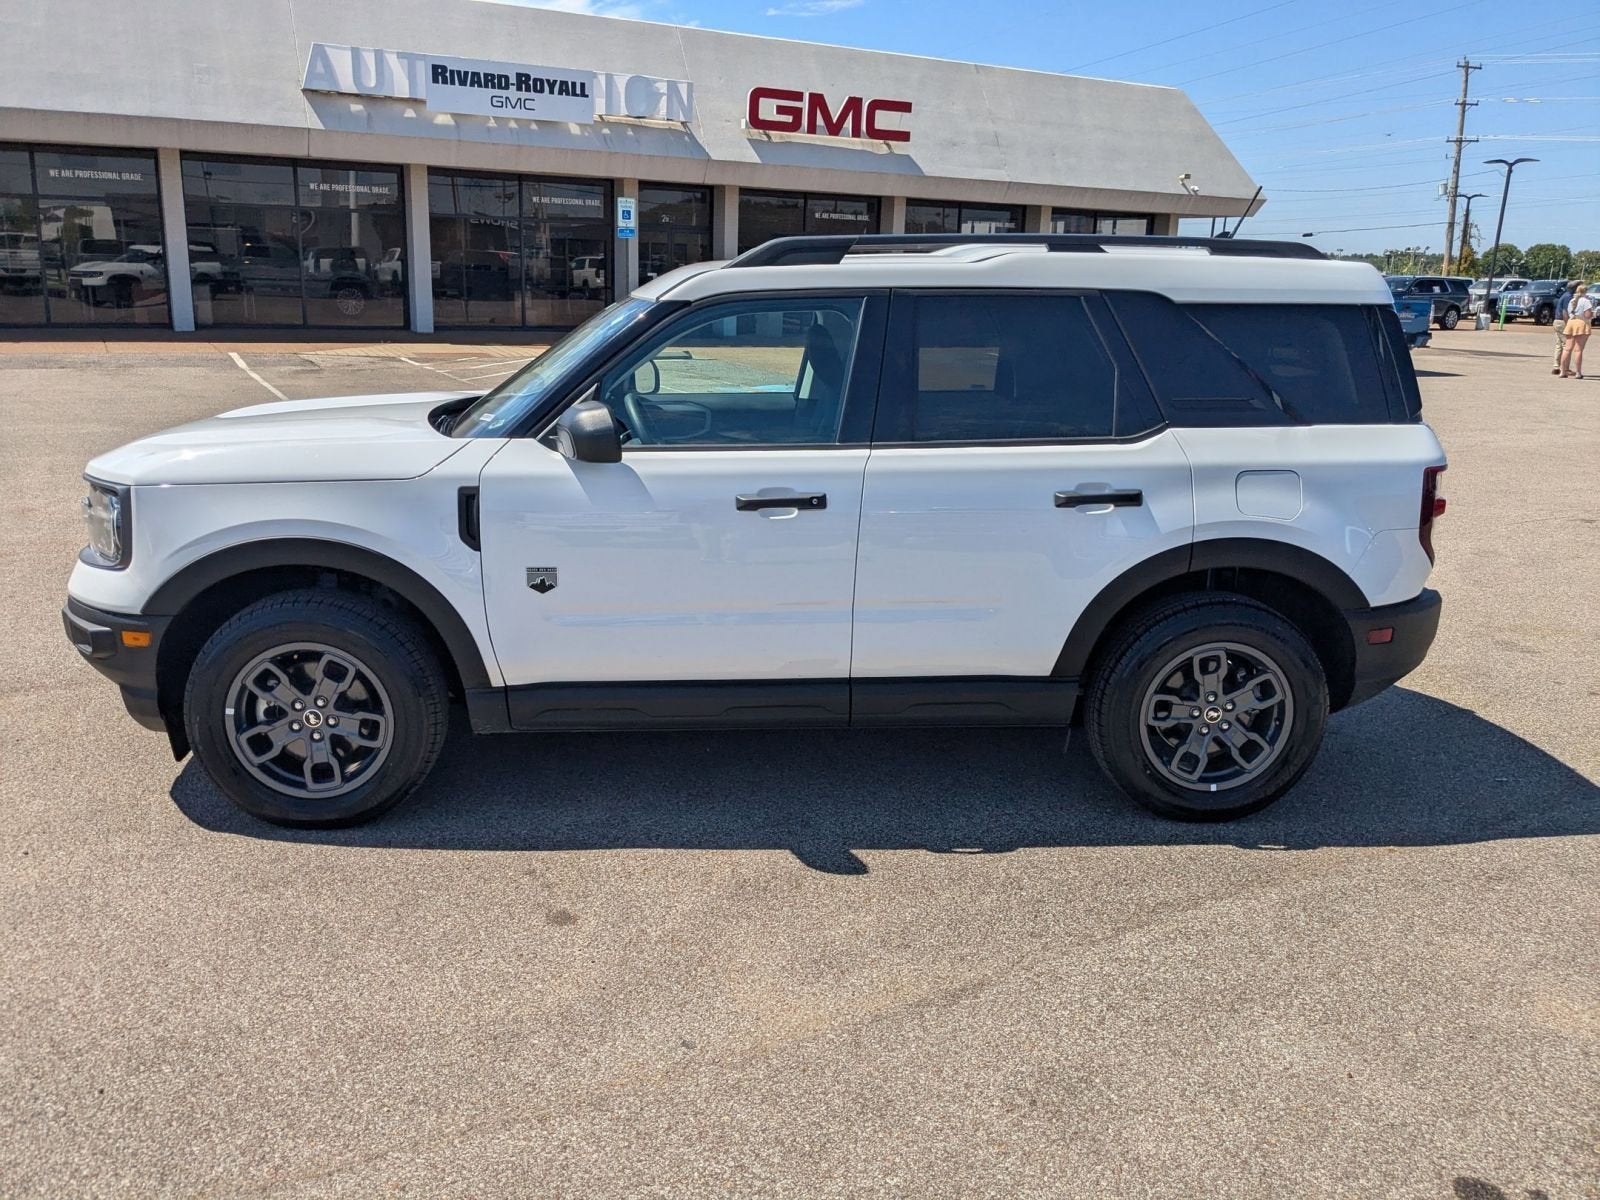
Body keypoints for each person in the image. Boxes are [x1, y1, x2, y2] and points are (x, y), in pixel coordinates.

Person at [1559, 283, 1593, 380]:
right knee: (1578, 350)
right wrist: (1593, 315)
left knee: (1567, 349)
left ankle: (1562, 371)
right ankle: (1578, 372)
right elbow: (1587, 315)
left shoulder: (1572, 301)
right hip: (1581, 323)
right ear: (1585, 291)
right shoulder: (1586, 301)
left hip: (1571, 322)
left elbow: (1568, 312)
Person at [1552, 280, 1577, 374]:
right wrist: (1568, 325)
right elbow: (1565, 312)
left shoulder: (1565, 295)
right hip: (1562, 321)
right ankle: (1565, 368)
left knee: (1559, 345)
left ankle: (1556, 366)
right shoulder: (1569, 297)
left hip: (1557, 321)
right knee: (1567, 345)